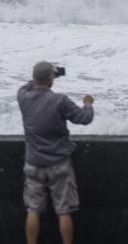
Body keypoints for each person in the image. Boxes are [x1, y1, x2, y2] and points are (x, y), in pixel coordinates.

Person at [17, 61, 94, 244]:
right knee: (64, 211)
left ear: (35, 78)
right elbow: (84, 118)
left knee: (33, 210)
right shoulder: (60, 100)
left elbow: (30, 83)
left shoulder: (23, 96)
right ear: (51, 80)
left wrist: (46, 74)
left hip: (33, 163)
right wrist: (88, 104)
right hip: (59, 164)